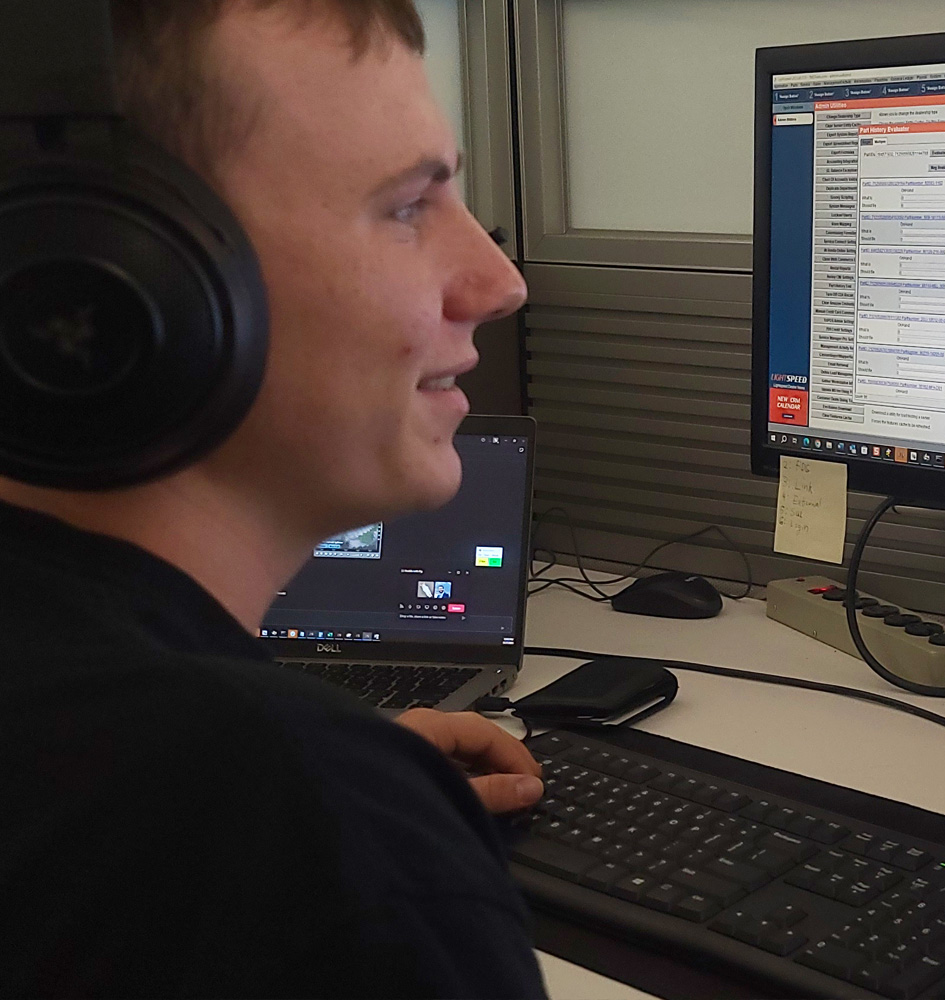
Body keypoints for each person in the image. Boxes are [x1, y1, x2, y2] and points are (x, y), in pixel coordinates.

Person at [0, 1, 545, 995]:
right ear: (119, 275)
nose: (498, 281)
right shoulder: (300, 823)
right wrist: (328, 803)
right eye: (406, 205)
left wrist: (309, 769)